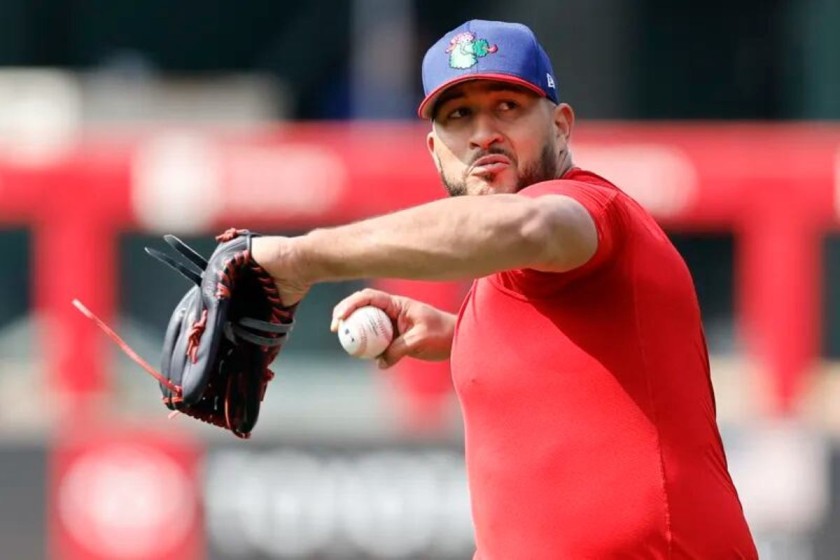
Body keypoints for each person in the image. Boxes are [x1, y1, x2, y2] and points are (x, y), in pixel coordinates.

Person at [252, 19, 758, 559]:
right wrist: (462, 334)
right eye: (458, 115)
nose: (482, 132)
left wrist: (297, 258)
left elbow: (526, 227)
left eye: (507, 107)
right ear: (433, 148)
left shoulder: (587, 211)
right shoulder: (506, 284)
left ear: (561, 126)